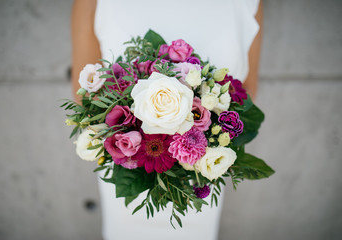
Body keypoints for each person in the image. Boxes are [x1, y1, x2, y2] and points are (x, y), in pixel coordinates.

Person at [71, 0, 263, 239]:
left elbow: (246, 92)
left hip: (200, 177)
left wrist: (198, 143)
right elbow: (85, 91)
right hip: (128, 166)